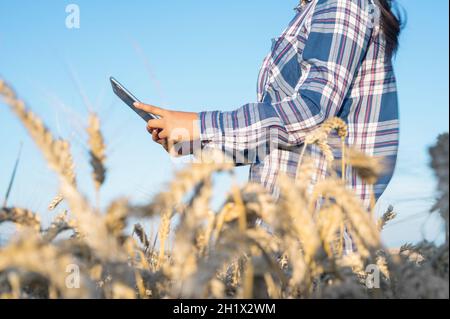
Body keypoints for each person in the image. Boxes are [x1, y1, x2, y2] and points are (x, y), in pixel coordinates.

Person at [134, 0, 402, 210]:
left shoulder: (341, 4)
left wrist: (200, 125)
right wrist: (193, 141)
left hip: (317, 225)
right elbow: (277, 142)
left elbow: (312, 112)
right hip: (286, 221)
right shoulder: (314, 10)